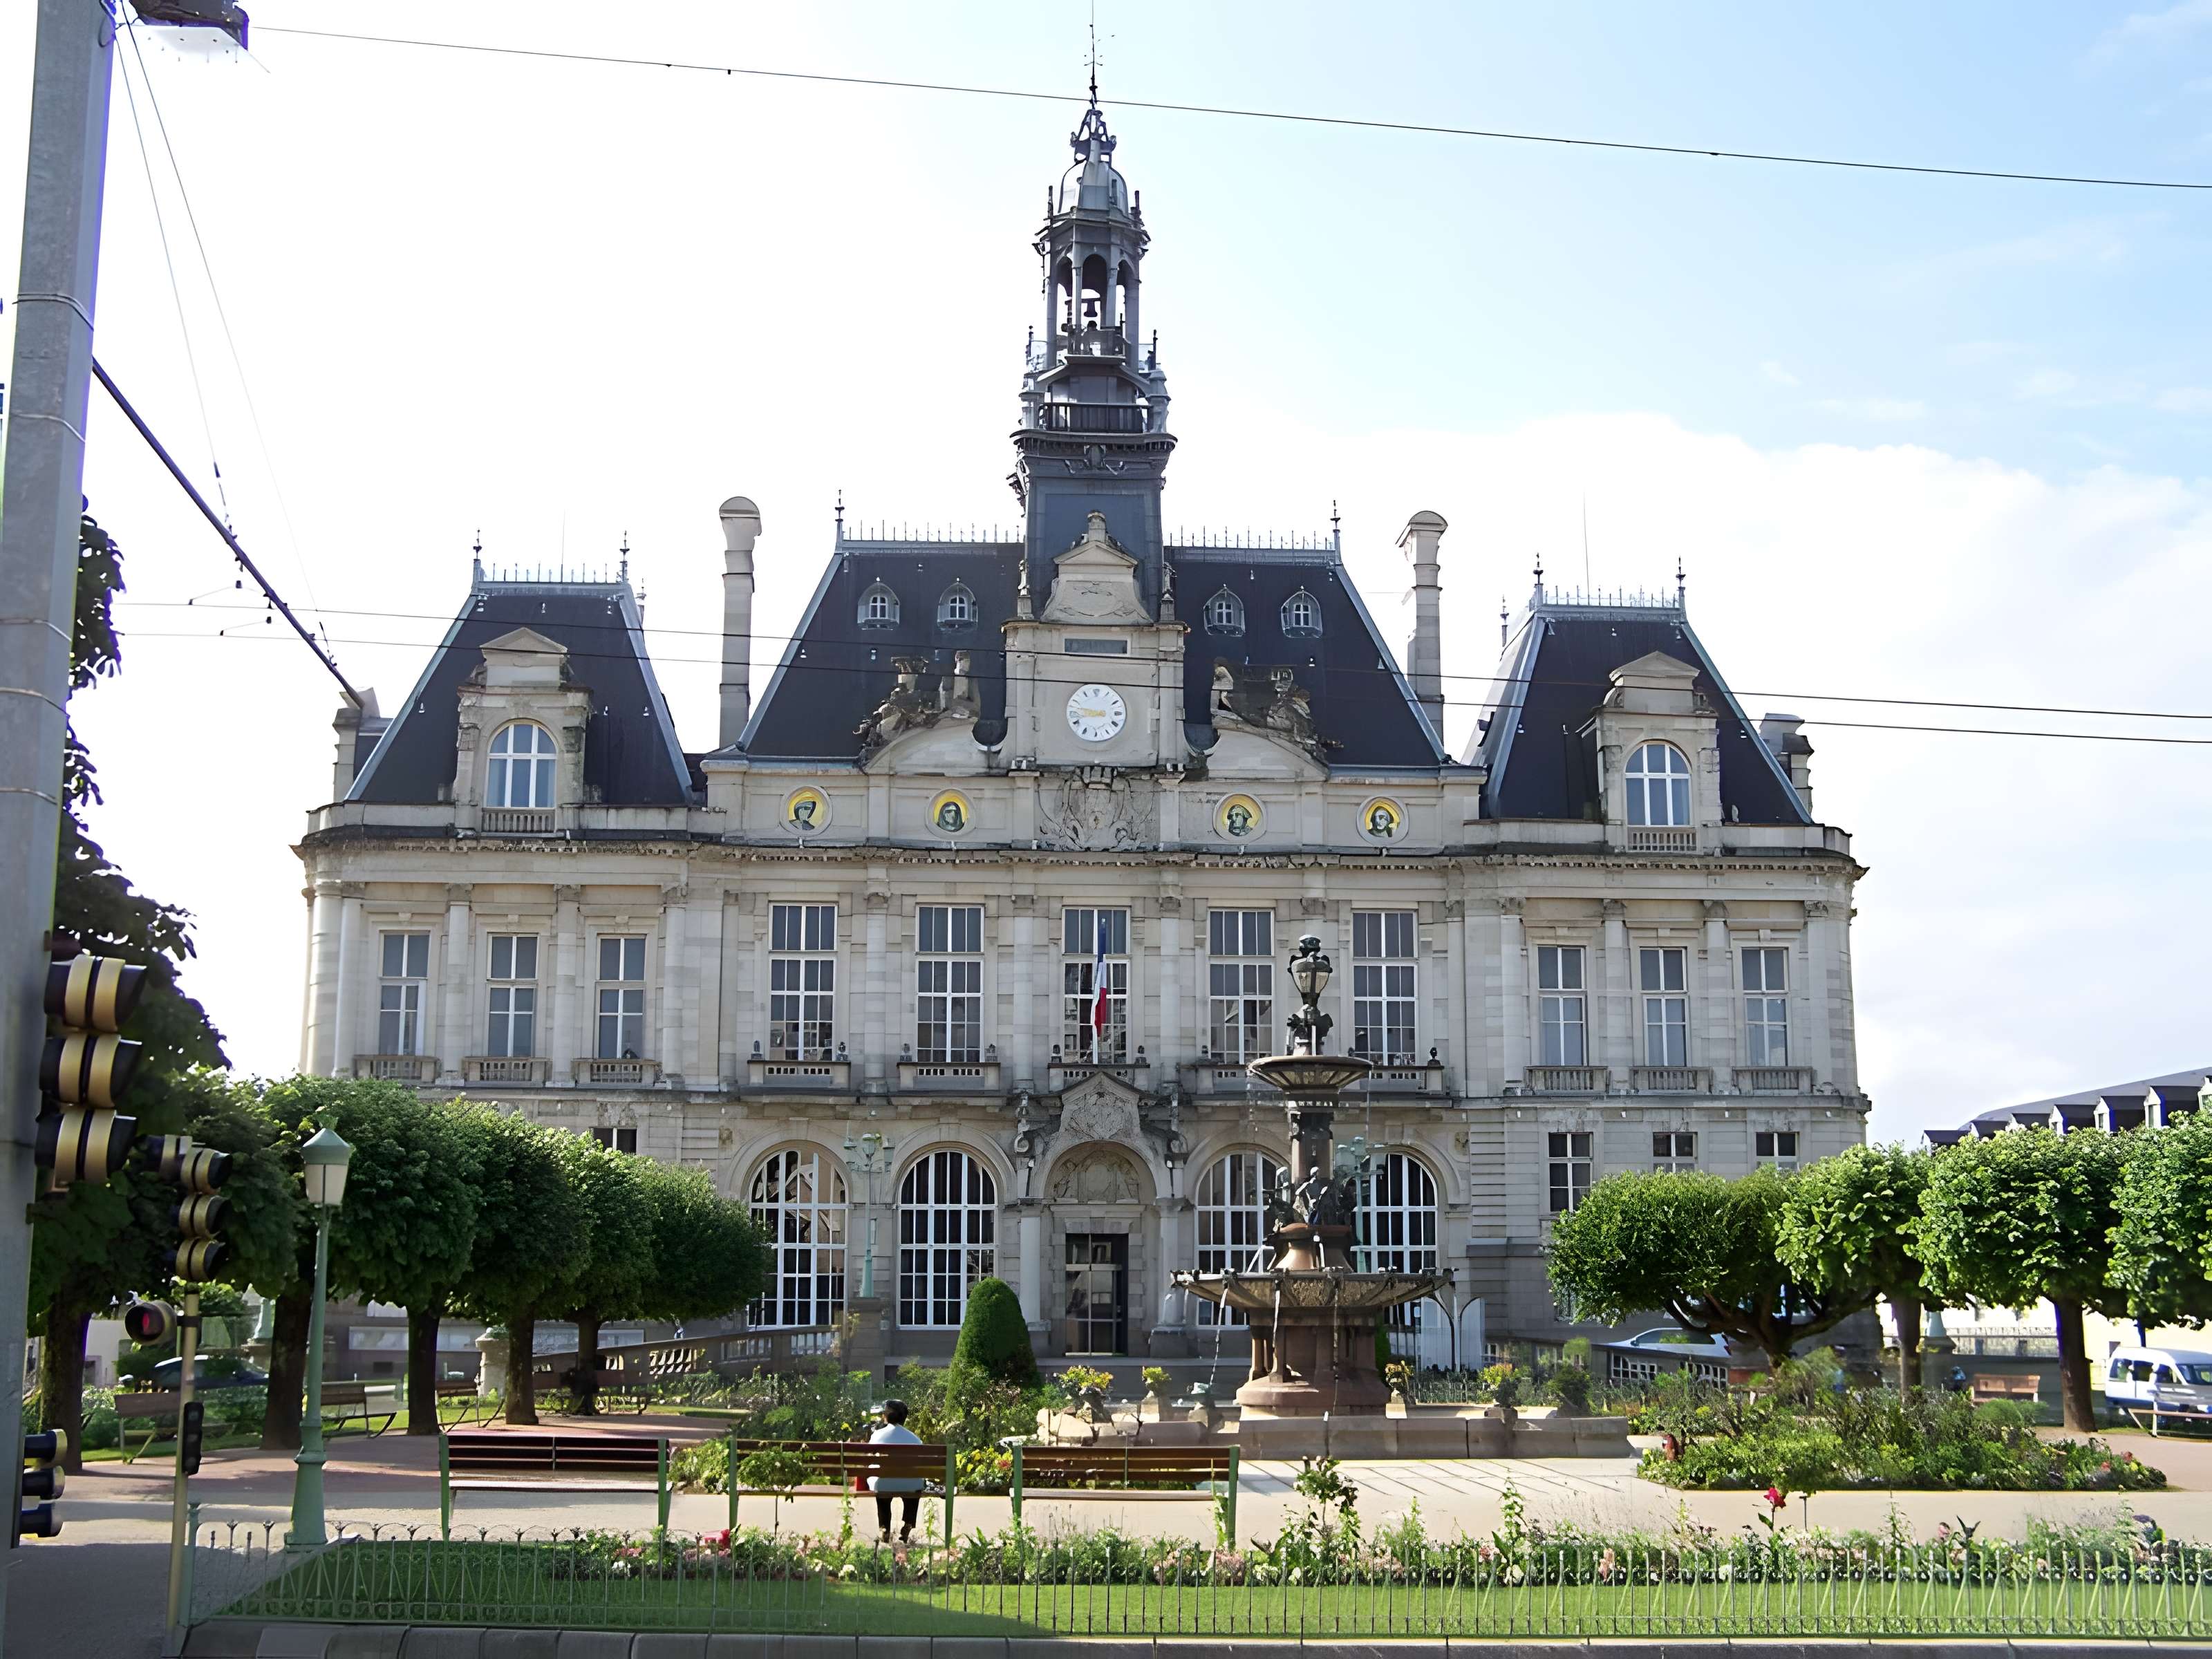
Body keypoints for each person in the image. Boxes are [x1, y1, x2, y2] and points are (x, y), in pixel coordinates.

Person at [867, 1398, 925, 1543]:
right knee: (914, 1485)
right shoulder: (915, 1439)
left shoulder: (878, 1435)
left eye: (884, 1411)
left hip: (885, 1483)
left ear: (888, 1415)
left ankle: (884, 1528)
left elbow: (870, 1458)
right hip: (910, 1485)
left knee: (883, 1494)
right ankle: (909, 1522)